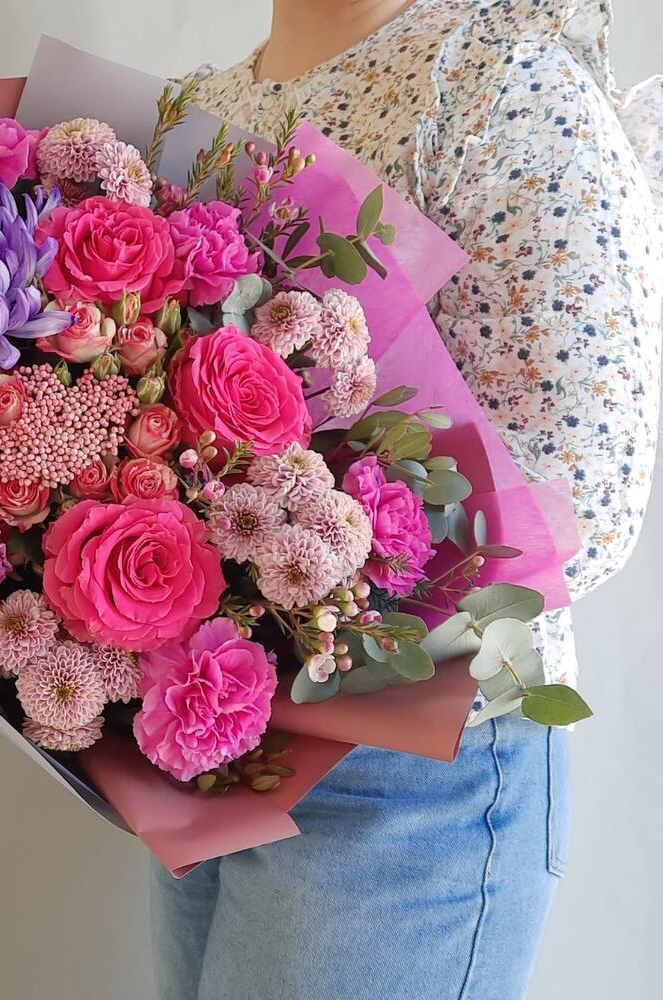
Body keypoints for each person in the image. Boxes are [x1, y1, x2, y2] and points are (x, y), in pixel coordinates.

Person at [152, 1, 663, 997]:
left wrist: (311, 539)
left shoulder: (497, 82)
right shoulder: (201, 103)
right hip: (215, 731)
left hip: (414, 760)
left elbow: (581, 500)